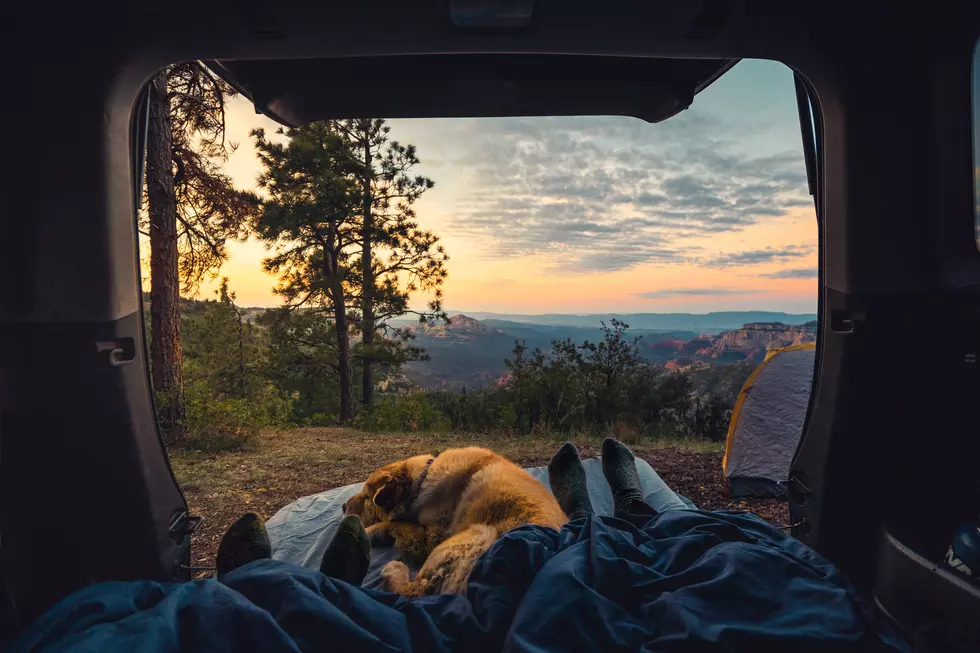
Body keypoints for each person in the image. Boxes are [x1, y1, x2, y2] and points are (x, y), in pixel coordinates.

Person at [9, 439, 909, 653]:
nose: (378, 501)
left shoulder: (430, 489)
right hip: (540, 566)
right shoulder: (440, 486)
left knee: (221, 614)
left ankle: (303, 578)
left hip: (501, 564)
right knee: (681, 538)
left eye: (379, 499)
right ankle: (625, 507)